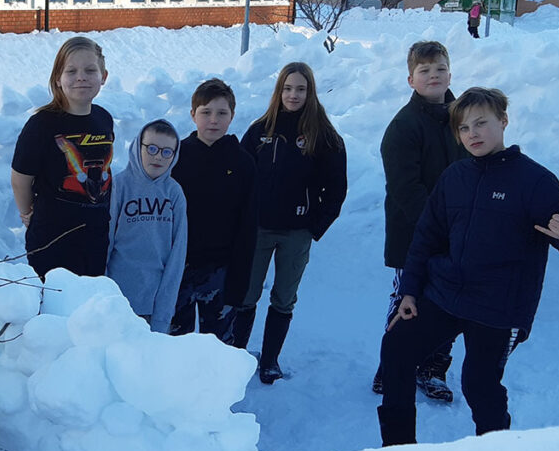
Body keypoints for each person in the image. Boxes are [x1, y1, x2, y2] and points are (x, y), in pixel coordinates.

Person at [378, 87, 559, 446]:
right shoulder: (455, 177)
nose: (472, 134)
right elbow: (425, 239)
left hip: (498, 306)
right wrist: (410, 291)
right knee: (397, 350)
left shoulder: (533, 181)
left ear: (504, 122)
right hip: (445, 293)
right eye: (464, 128)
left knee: (479, 384)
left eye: (481, 124)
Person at [235, 63, 347, 383]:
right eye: (287, 88)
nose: (293, 95)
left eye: (300, 89)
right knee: (246, 295)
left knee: (284, 298)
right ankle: (237, 357)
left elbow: (336, 187)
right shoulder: (260, 130)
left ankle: (270, 360)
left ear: (310, 92)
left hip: (297, 232)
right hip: (258, 229)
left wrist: (316, 225)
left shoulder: (323, 135)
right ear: (278, 91)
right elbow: (241, 177)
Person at [372, 41, 467, 402]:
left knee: (448, 303)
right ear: (411, 79)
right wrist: (438, 227)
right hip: (413, 234)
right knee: (406, 300)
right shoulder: (403, 126)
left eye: (439, 69)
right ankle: (392, 365)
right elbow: (404, 187)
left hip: (457, 235)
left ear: (449, 73)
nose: (433, 76)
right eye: (424, 71)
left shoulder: (463, 118)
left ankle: (433, 368)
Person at [11, 36, 114, 280]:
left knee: (88, 304)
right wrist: (27, 213)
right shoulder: (42, 124)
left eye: (90, 70)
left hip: (95, 233)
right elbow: (20, 178)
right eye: (71, 71)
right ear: (58, 79)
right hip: (53, 236)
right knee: (55, 305)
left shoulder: (104, 119)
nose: (81, 77)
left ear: (104, 77)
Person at [169, 78, 257, 345]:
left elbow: (248, 224)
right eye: (206, 112)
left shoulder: (242, 162)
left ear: (232, 116)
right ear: (193, 114)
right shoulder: (175, 157)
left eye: (222, 113)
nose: (213, 120)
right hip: (179, 267)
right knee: (175, 342)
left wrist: (240, 281)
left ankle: (215, 386)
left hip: (221, 271)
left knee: (218, 344)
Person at [107, 119, 188, 333]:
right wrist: (102, 294)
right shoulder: (119, 186)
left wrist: (163, 313)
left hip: (153, 302)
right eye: (151, 148)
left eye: (166, 152)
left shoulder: (174, 193)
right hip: (117, 299)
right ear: (138, 146)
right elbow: (105, 241)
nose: (158, 156)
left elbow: (177, 254)